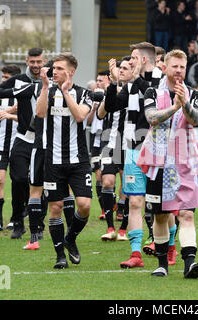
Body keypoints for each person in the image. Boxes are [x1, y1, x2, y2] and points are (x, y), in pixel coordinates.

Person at [138, 49, 198, 278]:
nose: (178, 71)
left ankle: (190, 264)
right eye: (174, 66)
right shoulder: (152, 91)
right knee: (159, 215)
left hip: (184, 162)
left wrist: (185, 104)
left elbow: (196, 119)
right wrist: (175, 108)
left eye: (182, 67)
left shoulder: (192, 93)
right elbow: (151, 118)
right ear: (164, 67)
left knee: (186, 213)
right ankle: (161, 264)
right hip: (158, 162)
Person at [103, 42, 163, 268]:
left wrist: (130, 77)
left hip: (157, 151)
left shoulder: (158, 79)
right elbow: (111, 107)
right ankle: (136, 254)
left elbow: (148, 91)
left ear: (144, 60)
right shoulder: (129, 85)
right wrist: (113, 82)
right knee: (136, 201)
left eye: (133, 58)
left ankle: (170, 248)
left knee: (160, 204)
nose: (128, 62)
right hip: (132, 150)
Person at [36, 53, 93, 269]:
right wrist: (43, 88)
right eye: (54, 68)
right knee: (55, 208)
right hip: (54, 160)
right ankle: (60, 254)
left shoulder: (84, 93)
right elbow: (40, 114)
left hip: (79, 160)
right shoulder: (48, 92)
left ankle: (70, 239)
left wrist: (66, 92)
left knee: (85, 205)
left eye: (59, 68)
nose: (54, 72)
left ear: (71, 71)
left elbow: (80, 116)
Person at [0, 48, 46, 238]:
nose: (36, 65)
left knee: (41, 184)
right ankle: (18, 221)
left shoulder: (50, 79)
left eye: (39, 62)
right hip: (23, 138)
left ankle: (38, 224)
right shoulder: (19, 80)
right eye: (32, 61)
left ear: (44, 62)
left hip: (44, 141)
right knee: (18, 179)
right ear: (26, 61)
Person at [97, 56, 134, 241]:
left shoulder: (135, 91)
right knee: (107, 183)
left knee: (127, 187)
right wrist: (110, 92)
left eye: (125, 69)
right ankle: (110, 227)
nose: (121, 71)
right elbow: (100, 113)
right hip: (110, 143)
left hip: (129, 145)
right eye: (119, 69)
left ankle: (123, 229)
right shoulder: (112, 91)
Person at [0, 64, 20, 231]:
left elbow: (28, 119)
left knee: (18, 182)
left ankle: (16, 217)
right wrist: (9, 111)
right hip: (0, 145)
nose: (3, 81)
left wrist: (12, 113)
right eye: (2, 77)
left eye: (6, 78)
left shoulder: (22, 95)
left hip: (18, 146)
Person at [87, 71, 109, 220]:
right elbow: (87, 121)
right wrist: (94, 108)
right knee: (97, 173)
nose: (98, 83)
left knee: (106, 174)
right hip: (95, 138)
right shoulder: (93, 98)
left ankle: (117, 205)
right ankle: (103, 207)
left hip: (108, 138)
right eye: (97, 80)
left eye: (101, 80)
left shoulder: (113, 96)